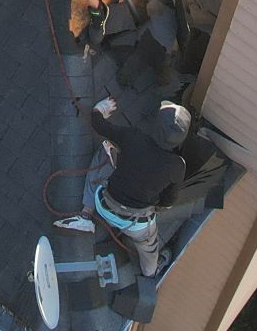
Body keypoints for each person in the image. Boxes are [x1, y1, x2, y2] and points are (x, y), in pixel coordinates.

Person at [84, 96, 215, 277]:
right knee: (149, 249)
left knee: (104, 150)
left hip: (104, 205)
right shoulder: (177, 165)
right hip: (135, 225)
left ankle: (86, 211)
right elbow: (168, 201)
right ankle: (151, 271)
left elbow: (98, 124)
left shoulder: (133, 137)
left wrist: (100, 109)